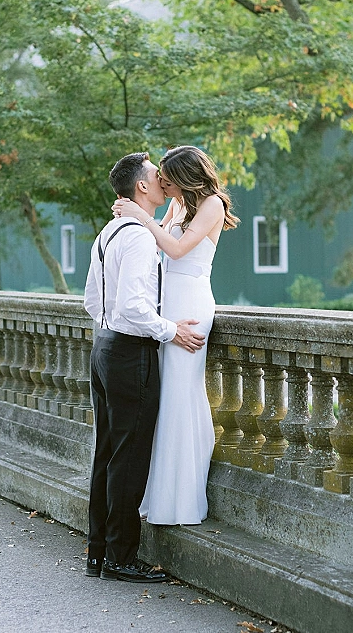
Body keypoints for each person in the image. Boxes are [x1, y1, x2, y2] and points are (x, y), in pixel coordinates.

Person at [83, 151, 206, 583]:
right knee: (130, 460)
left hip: (104, 349)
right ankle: (121, 557)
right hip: (131, 353)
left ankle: (98, 553)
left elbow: (92, 303)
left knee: (107, 455)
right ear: (141, 187)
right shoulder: (137, 236)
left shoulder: (109, 232)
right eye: (157, 176)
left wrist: (111, 332)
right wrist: (170, 330)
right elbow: (134, 306)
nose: (164, 180)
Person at [112, 145, 239, 525]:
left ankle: (182, 500)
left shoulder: (212, 204)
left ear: (185, 175)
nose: (161, 182)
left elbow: (180, 250)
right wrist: (135, 221)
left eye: (167, 176)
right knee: (166, 397)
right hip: (168, 306)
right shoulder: (177, 205)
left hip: (191, 304)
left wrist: (142, 217)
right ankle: (161, 494)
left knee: (183, 394)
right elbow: (156, 248)